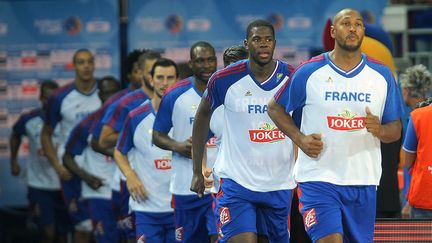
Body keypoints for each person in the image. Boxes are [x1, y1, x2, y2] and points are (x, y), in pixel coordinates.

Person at [268, 9, 402, 243]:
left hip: (363, 181)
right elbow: (274, 108)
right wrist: (300, 139)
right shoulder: (309, 71)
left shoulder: (381, 75)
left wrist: (379, 130)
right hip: (318, 179)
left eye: (358, 24)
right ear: (332, 31)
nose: (353, 29)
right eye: (346, 23)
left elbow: (396, 130)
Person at [191, 20, 295, 243]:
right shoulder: (224, 79)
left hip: (279, 182)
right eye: (257, 39)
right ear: (247, 44)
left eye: (268, 39)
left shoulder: (292, 77)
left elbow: (307, 121)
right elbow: (202, 118)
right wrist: (197, 170)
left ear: (275, 43)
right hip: (236, 182)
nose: (263, 44)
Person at [153, 41, 218, 243]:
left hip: (221, 185)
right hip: (186, 186)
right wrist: (178, 146)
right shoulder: (175, 94)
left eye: (210, 60)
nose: (206, 65)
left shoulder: (227, 89)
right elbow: (157, 135)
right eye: (200, 61)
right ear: (190, 64)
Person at [97, 50, 161, 242]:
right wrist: (134, 133)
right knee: (134, 236)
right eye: (150, 72)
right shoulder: (126, 103)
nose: (155, 77)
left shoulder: (170, 99)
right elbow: (103, 140)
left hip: (164, 181)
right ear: (140, 73)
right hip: (134, 181)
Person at [114, 58, 179, 242]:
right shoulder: (135, 116)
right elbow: (119, 151)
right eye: (159, 77)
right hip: (146, 209)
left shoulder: (187, 114)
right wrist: (130, 176)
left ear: (177, 80)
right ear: (151, 80)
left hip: (178, 206)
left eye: (170, 77)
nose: (164, 83)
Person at [41, 48, 101, 243]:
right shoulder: (59, 97)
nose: (86, 66)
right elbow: (46, 134)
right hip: (71, 170)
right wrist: (57, 166)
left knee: (102, 227)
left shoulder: (106, 92)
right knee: (82, 228)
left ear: (94, 64)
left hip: (99, 168)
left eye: (89, 62)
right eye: (81, 62)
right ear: (74, 66)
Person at [62, 76, 121, 243]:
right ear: (100, 95)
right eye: (106, 92)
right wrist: (87, 178)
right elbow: (67, 157)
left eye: (114, 93)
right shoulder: (88, 124)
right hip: (99, 193)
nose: (110, 97)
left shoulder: (130, 118)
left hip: (125, 191)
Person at [10, 80, 69, 243]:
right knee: (48, 233)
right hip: (40, 185)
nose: (49, 103)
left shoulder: (67, 119)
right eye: (46, 98)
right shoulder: (29, 119)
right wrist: (13, 161)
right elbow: (15, 135)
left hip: (64, 184)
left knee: (63, 234)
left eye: (54, 100)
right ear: (40, 98)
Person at [400, 65, 432, 218]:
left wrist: (408, 202)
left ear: (406, 89)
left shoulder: (417, 117)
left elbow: (409, 162)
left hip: (422, 198)